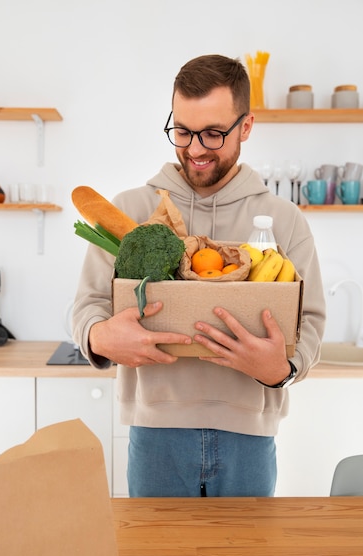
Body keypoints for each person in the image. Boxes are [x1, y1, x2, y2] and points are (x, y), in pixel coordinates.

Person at [72, 54, 326, 498]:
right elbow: (88, 306)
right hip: (155, 436)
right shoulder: (128, 210)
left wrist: (282, 369)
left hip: (249, 438)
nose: (194, 149)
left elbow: (313, 322)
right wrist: (98, 338)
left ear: (246, 126)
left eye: (213, 133)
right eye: (183, 131)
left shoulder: (283, 221)